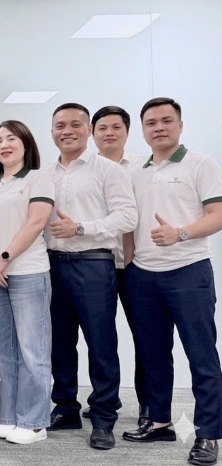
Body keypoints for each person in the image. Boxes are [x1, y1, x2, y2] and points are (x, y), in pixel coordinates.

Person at [121, 98, 222, 466]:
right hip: (144, 276)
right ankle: (159, 420)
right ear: (143, 130)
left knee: (201, 355)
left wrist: (180, 233)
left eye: (166, 121)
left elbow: (218, 214)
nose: (159, 127)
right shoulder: (136, 172)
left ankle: (208, 434)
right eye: (151, 122)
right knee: (152, 355)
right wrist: (130, 265)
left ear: (180, 125)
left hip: (188, 271)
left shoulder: (201, 164)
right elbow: (129, 223)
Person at [44, 104, 137, 451]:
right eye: (59, 125)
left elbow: (127, 217)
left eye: (74, 124)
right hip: (52, 266)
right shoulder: (45, 174)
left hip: (94, 265)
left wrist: (81, 227)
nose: (66, 131)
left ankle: (103, 418)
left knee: (101, 344)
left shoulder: (107, 170)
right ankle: (65, 407)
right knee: (59, 343)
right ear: (51, 132)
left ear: (88, 130)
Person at [0, 120, 54, 445]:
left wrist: (3, 258)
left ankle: (34, 423)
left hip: (28, 273)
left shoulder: (38, 178)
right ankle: (8, 417)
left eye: (11, 139)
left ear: (26, 144)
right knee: (2, 351)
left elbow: (36, 223)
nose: (4, 145)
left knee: (32, 351)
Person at [90, 105, 147, 425]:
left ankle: (150, 408)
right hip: (96, 265)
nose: (109, 133)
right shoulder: (84, 169)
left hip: (135, 266)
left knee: (146, 338)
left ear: (127, 131)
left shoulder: (141, 169)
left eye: (116, 127)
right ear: (92, 133)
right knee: (101, 339)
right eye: (102, 128)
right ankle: (105, 399)